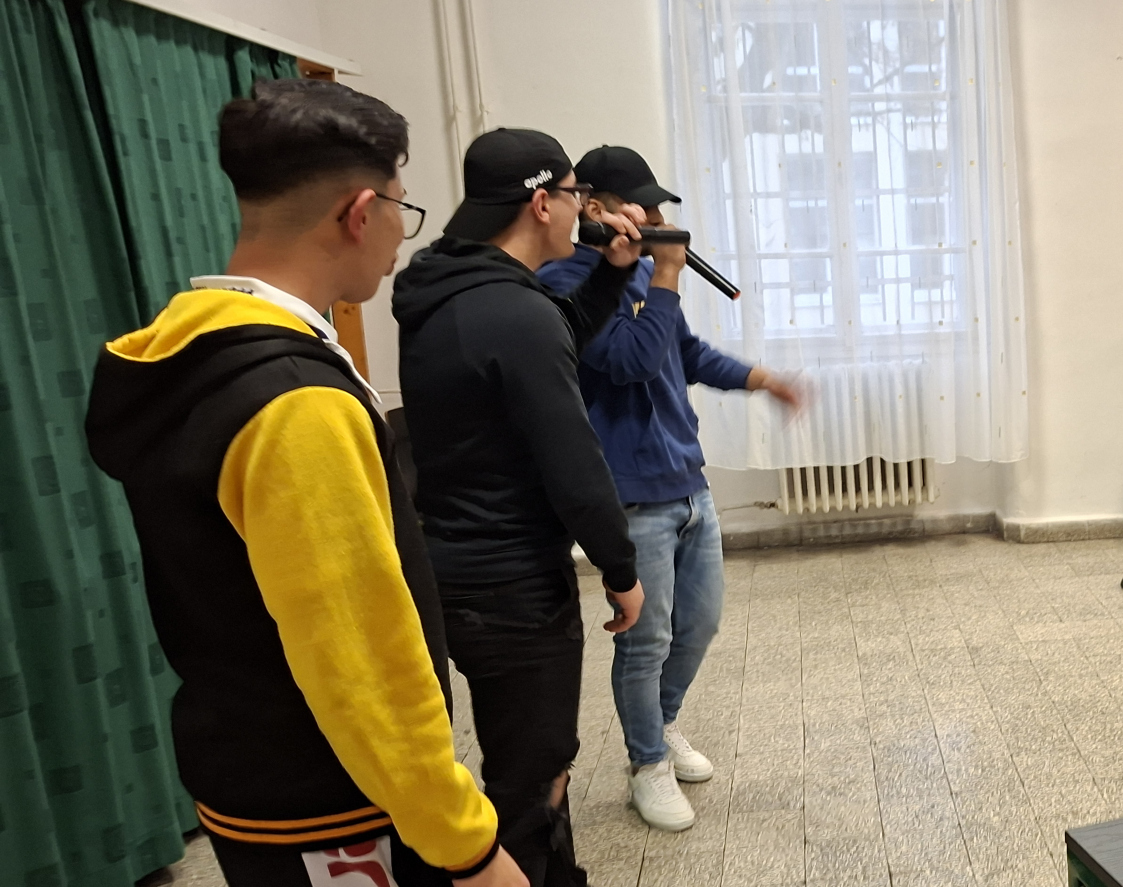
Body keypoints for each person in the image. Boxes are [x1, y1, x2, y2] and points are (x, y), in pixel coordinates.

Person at [85, 80, 521, 886]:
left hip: (247, 767)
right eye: (400, 208)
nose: (399, 236)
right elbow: (359, 660)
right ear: (360, 211)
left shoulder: (189, 351)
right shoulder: (295, 401)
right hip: (335, 805)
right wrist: (469, 845)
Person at [393, 128, 655, 885]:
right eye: (575, 195)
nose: (582, 210)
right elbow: (573, 462)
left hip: (449, 565)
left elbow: (551, 337)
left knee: (518, 763)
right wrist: (620, 568)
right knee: (534, 775)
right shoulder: (514, 313)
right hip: (514, 584)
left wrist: (611, 275)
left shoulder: (446, 288)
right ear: (542, 203)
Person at [532, 146, 799, 831]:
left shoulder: (650, 275)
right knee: (645, 640)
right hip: (631, 494)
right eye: (643, 206)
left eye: (658, 208)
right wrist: (669, 276)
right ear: (594, 207)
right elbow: (630, 360)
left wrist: (761, 379)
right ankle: (646, 762)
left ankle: (662, 721)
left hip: (688, 482)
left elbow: (682, 353)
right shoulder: (565, 283)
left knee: (699, 623)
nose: (656, 219)